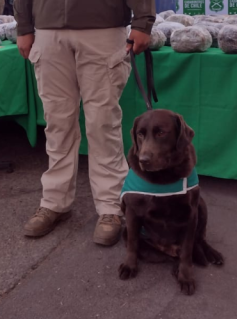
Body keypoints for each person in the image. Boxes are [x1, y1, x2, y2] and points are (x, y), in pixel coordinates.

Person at [14, 0, 155, 246]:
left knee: (103, 123)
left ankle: (111, 206)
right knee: (57, 123)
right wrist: (24, 27)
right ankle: (54, 202)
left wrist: (143, 21)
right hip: (49, 33)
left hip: (103, 30)